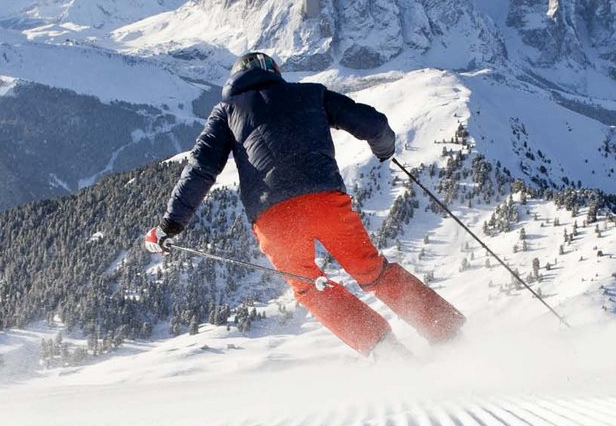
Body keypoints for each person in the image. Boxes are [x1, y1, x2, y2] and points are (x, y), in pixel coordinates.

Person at [146, 51, 465, 356]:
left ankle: (384, 350)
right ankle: (446, 332)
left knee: (309, 287)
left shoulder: (227, 113)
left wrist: (169, 225)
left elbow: (201, 169)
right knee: (371, 270)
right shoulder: (311, 93)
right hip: (325, 201)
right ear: (275, 72)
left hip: (273, 217)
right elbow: (374, 124)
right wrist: (384, 149)